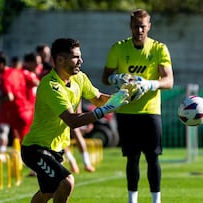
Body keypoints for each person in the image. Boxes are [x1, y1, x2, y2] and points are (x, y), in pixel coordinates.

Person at [21, 38, 129, 203]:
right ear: (60, 59)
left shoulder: (79, 78)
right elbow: (72, 120)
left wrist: (122, 95)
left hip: (55, 149)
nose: (81, 61)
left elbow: (98, 98)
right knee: (66, 182)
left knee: (47, 193)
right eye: (76, 57)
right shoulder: (51, 85)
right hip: (35, 149)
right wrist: (105, 110)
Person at [101, 9, 174, 203]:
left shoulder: (159, 49)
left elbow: (169, 81)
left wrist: (150, 84)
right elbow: (105, 77)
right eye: (136, 26)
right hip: (125, 110)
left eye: (143, 26)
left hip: (150, 110)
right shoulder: (118, 48)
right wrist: (116, 78)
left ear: (149, 26)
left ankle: (155, 200)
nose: (139, 30)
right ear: (130, 26)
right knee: (132, 158)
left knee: (153, 157)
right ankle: (132, 200)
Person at [0, 51, 34, 162]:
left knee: (25, 142)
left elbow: (10, 97)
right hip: (26, 109)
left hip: (16, 111)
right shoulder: (18, 72)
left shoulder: (4, 78)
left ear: (1, 64)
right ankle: (9, 156)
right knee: (25, 140)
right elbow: (35, 82)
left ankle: (36, 166)